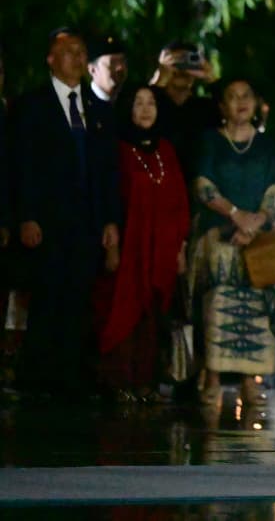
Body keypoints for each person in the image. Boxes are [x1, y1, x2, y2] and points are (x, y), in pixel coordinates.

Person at [12, 28, 121, 399]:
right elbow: (21, 165)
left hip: (86, 224)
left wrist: (110, 222)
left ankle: (73, 378)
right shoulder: (31, 106)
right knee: (47, 300)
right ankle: (39, 379)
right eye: (68, 52)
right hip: (47, 222)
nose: (76, 58)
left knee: (79, 299)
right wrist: (26, 216)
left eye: (80, 52)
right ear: (51, 59)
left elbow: (106, 171)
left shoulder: (97, 110)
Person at [190, 77, 275, 408]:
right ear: (222, 106)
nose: (241, 102)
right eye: (233, 97)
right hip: (219, 231)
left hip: (258, 237)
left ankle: (251, 378)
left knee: (257, 304)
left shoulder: (269, 144)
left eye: (246, 96)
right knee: (219, 299)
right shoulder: (210, 141)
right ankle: (213, 376)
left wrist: (256, 221)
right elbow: (204, 185)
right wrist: (236, 215)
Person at [98, 85, 189, 402]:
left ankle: (146, 383)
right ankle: (119, 382)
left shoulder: (166, 149)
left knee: (153, 315)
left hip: (161, 248)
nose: (146, 109)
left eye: (151, 103)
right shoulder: (118, 149)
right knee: (125, 310)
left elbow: (180, 201)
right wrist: (112, 242)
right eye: (138, 103)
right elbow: (108, 197)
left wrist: (180, 248)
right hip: (130, 246)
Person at [151, 40, 220, 178]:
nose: (181, 69)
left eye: (188, 61)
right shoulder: (151, 106)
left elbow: (233, 112)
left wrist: (212, 79)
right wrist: (159, 80)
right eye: (175, 63)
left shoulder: (205, 108)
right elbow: (130, 114)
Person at [86, 36, 128, 107]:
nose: (120, 67)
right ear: (93, 70)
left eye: (122, 61)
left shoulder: (129, 103)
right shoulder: (83, 105)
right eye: (112, 62)